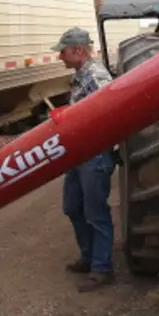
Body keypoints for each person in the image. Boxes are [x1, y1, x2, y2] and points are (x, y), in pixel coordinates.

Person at [50, 27, 116, 292]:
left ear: (78, 50)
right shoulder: (81, 76)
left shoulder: (96, 76)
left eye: (63, 52)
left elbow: (108, 113)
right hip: (79, 153)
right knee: (73, 207)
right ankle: (89, 257)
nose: (59, 57)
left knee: (96, 212)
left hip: (94, 154)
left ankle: (102, 268)